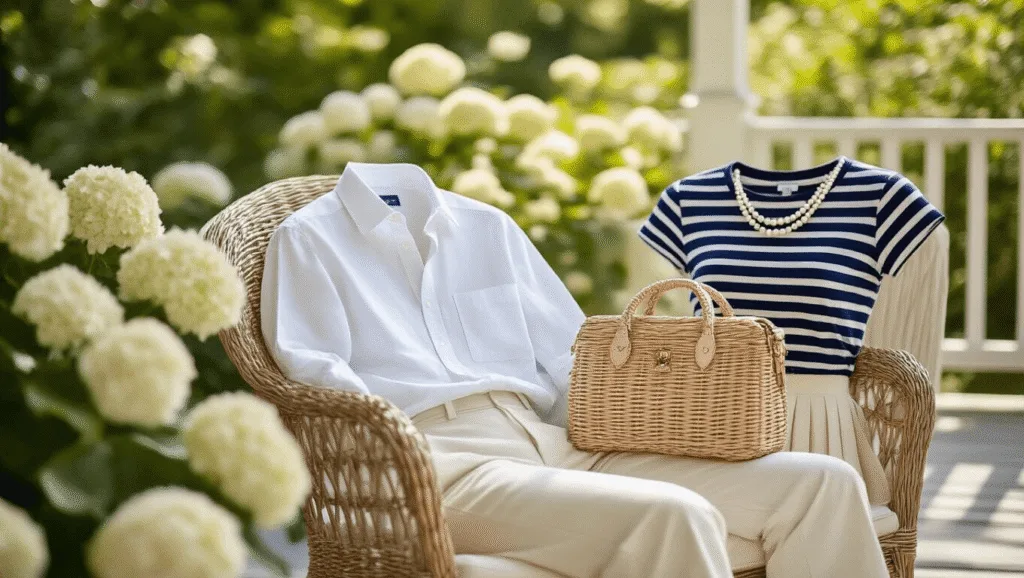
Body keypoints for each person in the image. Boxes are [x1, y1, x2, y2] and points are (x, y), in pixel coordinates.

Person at [261, 162, 889, 577]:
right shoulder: (309, 239)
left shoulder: (486, 226)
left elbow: (571, 352)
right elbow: (314, 375)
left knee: (822, 484)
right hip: (436, 460)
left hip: (557, 439)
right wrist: (390, 466)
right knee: (673, 513)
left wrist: (635, 426)